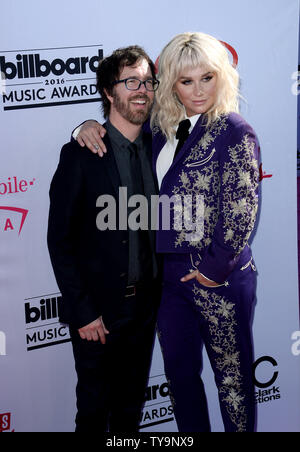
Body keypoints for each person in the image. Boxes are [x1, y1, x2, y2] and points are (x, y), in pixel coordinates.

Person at [74, 32, 260, 433]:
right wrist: (87, 124)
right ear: (172, 84)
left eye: (206, 78)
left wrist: (213, 271)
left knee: (233, 385)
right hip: (170, 283)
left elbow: (241, 211)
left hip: (218, 280)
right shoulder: (161, 130)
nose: (197, 90)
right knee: (180, 381)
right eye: (186, 81)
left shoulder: (233, 130)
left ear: (222, 77)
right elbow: (120, 128)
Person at [47, 45, 161, 433]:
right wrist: (82, 311)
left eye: (147, 81)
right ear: (109, 93)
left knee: (129, 415)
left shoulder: (159, 148)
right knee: (94, 415)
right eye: (130, 81)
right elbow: (59, 241)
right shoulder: (80, 154)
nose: (141, 89)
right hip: (98, 316)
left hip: (144, 311)